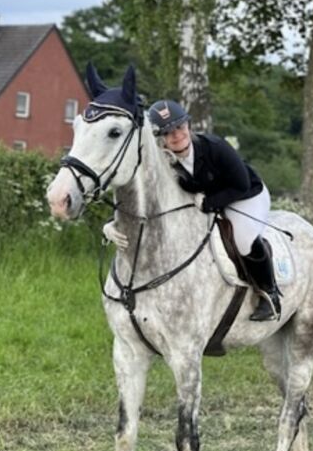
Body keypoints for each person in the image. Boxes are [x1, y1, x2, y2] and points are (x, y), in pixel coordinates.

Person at [103, 99, 281, 321]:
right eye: (168, 132)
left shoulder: (216, 147)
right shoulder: (165, 162)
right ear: (160, 139)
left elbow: (241, 184)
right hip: (203, 198)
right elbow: (148, 196)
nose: (176, 135)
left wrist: (209, 203)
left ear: (189, 125)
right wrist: (114, 221)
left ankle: (269, 293)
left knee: (244, 240)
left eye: (179, 127)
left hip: (245, 196)